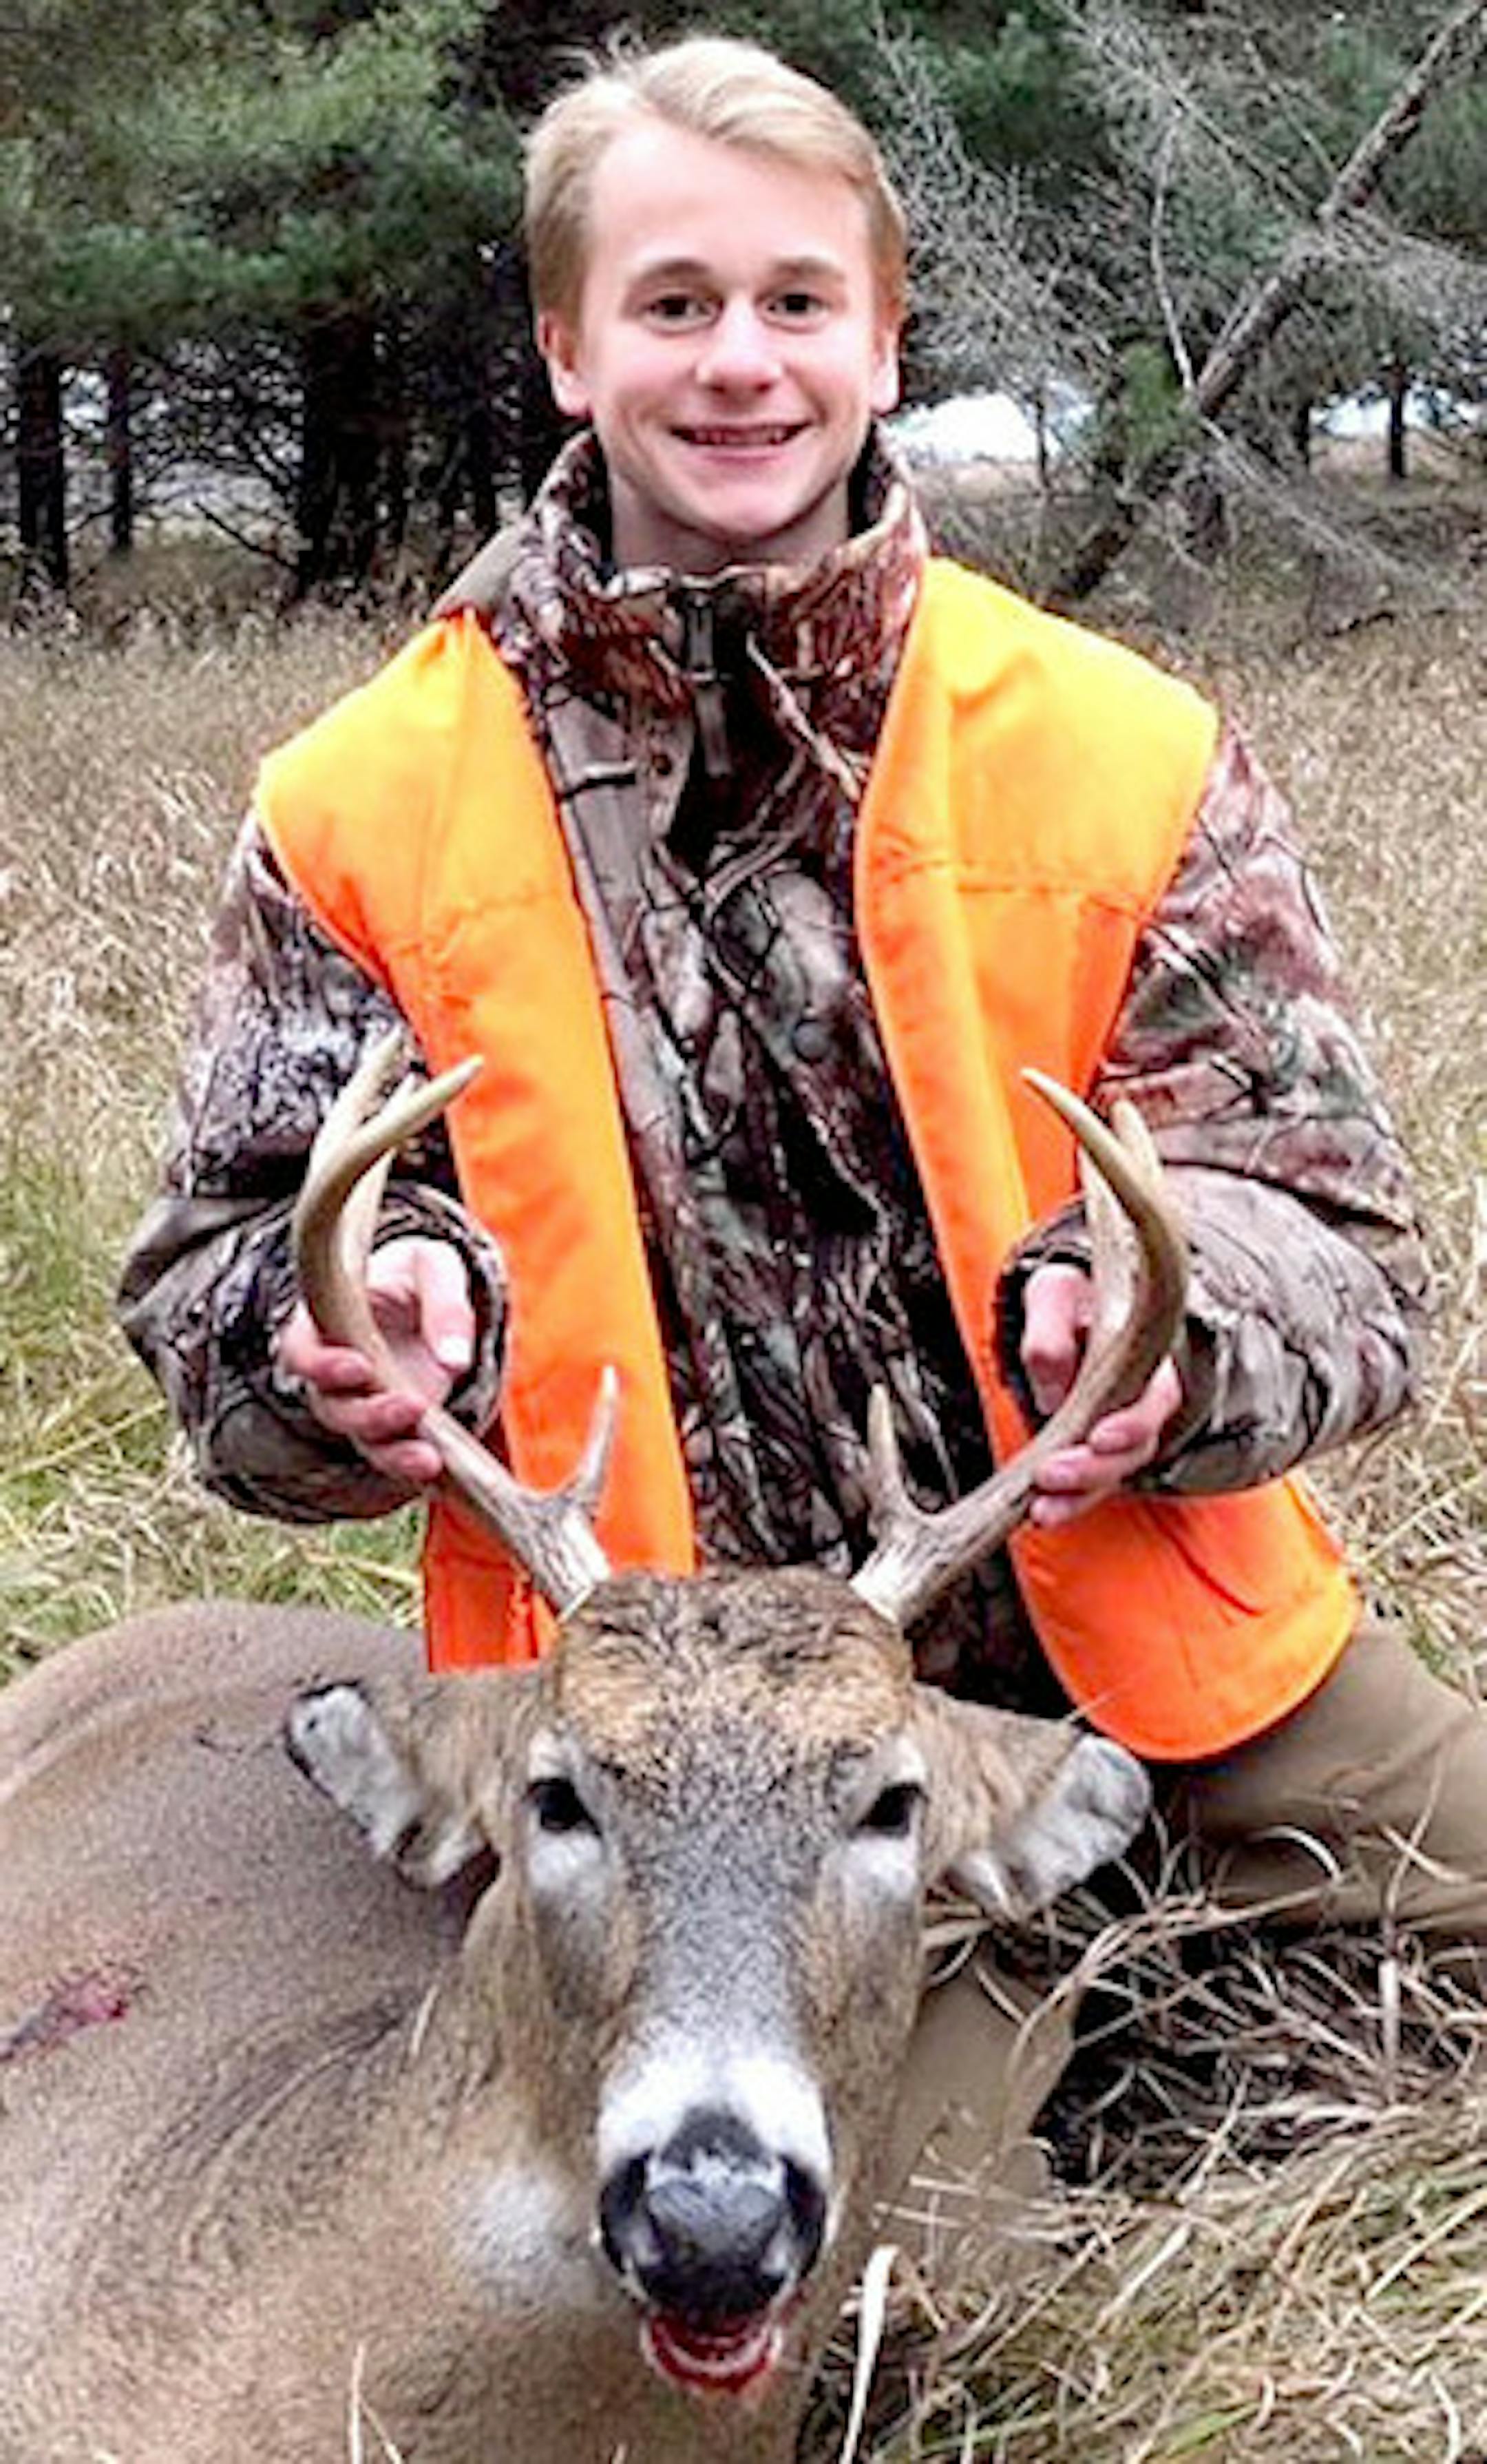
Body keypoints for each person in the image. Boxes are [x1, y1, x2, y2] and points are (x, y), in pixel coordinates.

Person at [119, 32, 1479, 2242]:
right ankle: (1052, 2043)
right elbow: (215, 1280)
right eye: (672, 305)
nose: (739, 362)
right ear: (567, 350)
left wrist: (1177, 1328)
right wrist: (342, 1335)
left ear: (883, 338)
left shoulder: (1119, 751)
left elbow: (1351, 1247)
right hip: (686, 1766)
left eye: (793, 302)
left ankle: (1151, 1995)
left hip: (1163, 1656)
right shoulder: (362, 804)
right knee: (851, 2298)